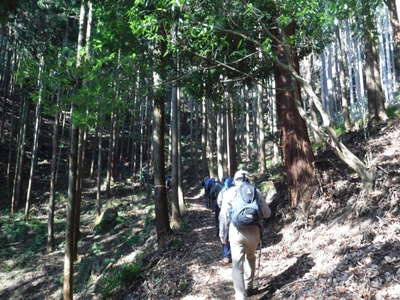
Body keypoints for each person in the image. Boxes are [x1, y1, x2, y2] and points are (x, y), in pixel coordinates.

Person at [219, 170, 271, 300]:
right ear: (248, 179)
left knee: (237, 264)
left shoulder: (229, 192)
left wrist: (222, 234)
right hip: (254, 232)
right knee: (250, 257)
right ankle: (249, 286)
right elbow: (267, 213)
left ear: (235, 180)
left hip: (236, 232)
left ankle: (240, 296)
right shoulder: (255, 191)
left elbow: (224, 216)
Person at [216, 177, 234, 264]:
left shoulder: (223, 191)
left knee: (223, 235)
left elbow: (219, 202)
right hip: (235, 216)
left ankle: (226, 256)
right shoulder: (237, 190)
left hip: (224, 214)